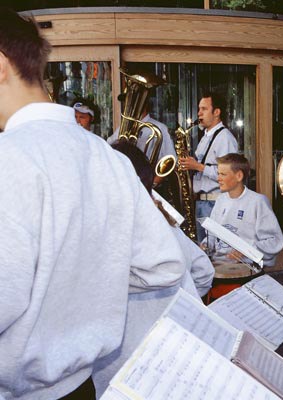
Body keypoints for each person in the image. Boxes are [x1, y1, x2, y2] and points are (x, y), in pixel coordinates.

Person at [0, 9, 186, 400]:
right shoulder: (107, 156)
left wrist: (60, 283)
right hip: (83, 386)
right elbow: (162, 265)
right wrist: (87, 282)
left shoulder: (8, 158)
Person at [92, 141, 215, 397]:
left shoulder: (102, 233)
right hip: (180, 348)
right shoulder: (163, 221)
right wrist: (179, 304)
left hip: (124, 365)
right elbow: (204, 271)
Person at [204, 153, 283, 267]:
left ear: (239, 176)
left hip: (247, 266)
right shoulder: (221, 200)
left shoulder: (258, 201)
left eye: (223, 174)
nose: (218, 179)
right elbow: (212, 234)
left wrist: (246, 251)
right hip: (219, 264)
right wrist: (205, 245)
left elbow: (274, 241)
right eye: (218, 174)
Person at [179, 91, 238, 242]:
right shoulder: (206, 137)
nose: (199, 113)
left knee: (214, 250)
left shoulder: (225, 138)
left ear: (217, 112)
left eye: (204, 109)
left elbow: (229, 174)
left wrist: (198, 166)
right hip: (202, 202)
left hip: (215, 203)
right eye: (199, 109)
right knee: (203, 249)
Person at [107, 98, 176, 187]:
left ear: (144, 104)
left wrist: (153, 183)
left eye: (132, 102)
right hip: (127, 184)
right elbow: (109, 148)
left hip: (149, 185)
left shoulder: (160, 128)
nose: (128, 106)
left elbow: (170, 160)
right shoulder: (122, 128)